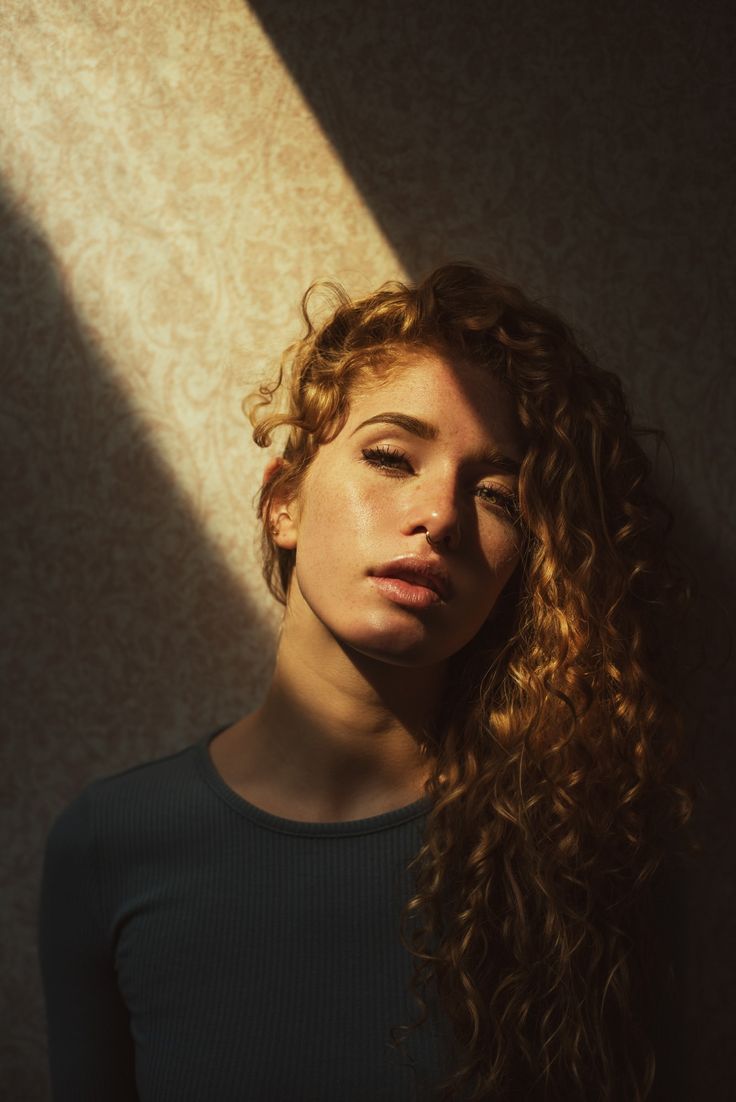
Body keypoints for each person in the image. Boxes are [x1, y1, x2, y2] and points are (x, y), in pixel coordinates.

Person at [38, 262, 696, 1101]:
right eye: (391, 457)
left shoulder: (580, 851)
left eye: (498, 496)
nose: (442, 516)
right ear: (284, 503)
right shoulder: (108, 846)